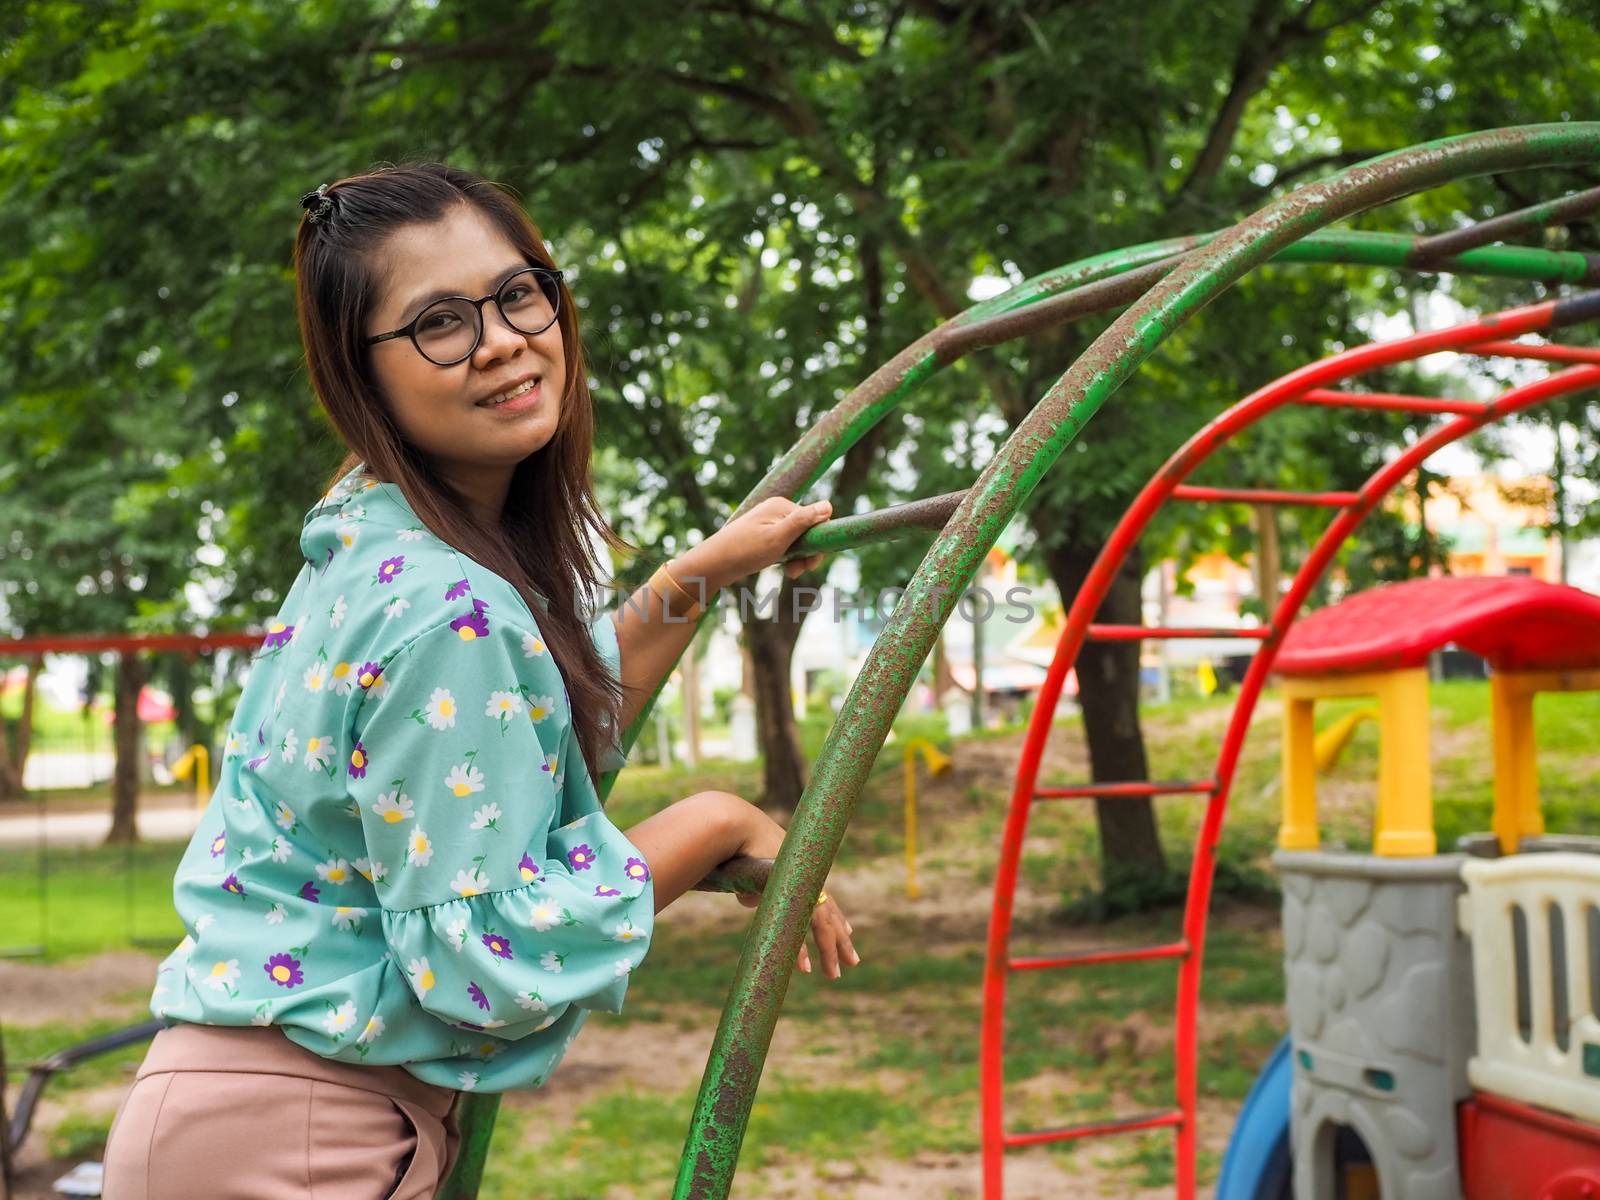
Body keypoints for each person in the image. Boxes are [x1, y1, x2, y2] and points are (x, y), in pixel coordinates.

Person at [100, 163, 859, 1200]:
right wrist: (718, 823)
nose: (502, 338)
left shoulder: (371, 541)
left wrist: (697, 576)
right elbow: (485, 955)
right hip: (296, 1138)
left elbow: (513, 742)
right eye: (439, 324)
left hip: (247, 1114)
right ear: (362, 375)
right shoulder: (448, 608)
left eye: (517, 293)